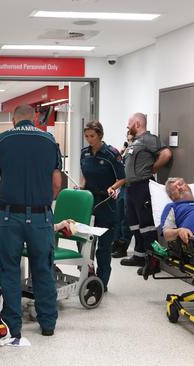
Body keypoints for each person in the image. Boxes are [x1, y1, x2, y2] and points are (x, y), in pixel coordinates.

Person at [0, 104, 62, 342]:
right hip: (40, 216)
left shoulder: (1, 140)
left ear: (13, 120)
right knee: (43, 269)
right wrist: (42, 204)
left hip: (9, 216)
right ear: (35, 118)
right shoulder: (50, 141)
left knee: (9, 270)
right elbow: (57, 183)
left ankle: (13, 327)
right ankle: (47, 324)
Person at [119, 113, 172, 275]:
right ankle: (139, 255)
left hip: (143, 186)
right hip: (131, 187)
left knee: (146, 226)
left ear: (137, 123)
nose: (128, 127)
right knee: (134, 224)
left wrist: (153, 168)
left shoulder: (149, 139)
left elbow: (166, 154)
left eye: (129, 124)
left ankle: (153, 261)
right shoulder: (135, 142)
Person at [79, 121, 125, 290]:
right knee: (83, 241)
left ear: (100, 135)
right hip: (88, 201)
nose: (89, 139)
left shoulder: (111, 154)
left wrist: (113, 187)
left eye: (92, 136)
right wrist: (82, 186)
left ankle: (102, 281)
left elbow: (122, 177)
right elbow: (84, 174)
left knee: (104, 246)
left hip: (106, 203)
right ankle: (88, 274)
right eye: (86, 136)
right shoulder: (84, 153)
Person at [112, 130, 135, 258]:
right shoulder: (125, 151)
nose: (129, 142)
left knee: (127, 218)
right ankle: (115, 242)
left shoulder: (136, 150)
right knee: (118, 214)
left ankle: (123, 244)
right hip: (123, 186)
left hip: (132, 185)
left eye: (132, 139)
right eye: (128, 139)